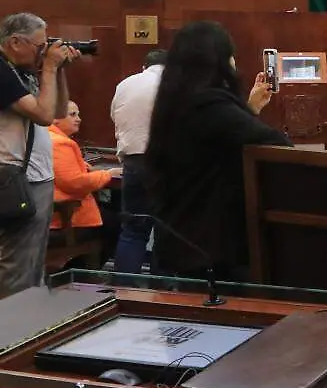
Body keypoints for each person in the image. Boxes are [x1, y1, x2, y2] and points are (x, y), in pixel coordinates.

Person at [144, 21, 290, 279]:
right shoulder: (209, 103)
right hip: (212, 246)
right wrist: (246, 113)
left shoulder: (174, 100)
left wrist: (248, 110)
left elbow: (222, 140)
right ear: (219, 62)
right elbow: (276, 143)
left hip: (182, 237)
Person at [0, 13, 77, 299]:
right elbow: (43, 115)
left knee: (32, 260)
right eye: (39, 46)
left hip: (37, 177)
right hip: (13, 179)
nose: (43, 52)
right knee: (16, 263)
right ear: (15, 42)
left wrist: (59, 70)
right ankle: (11, 333)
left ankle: (27, 323)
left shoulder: (20, 70)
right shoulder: (2, 72)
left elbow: (57, 112)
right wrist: (49, 67)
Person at [110, 49, 167, 273]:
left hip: (133, 163)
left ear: (144, 66)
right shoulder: (172, 84)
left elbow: (115, 116)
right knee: (165, 229)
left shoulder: (125, 84)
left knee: (133, 229)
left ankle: (124, 290)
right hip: (164, 163)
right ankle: (161, 290)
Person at [49, 101, 121, 264]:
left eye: (78, 114)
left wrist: (88, 169)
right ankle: (84, 273)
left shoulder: (48, 137)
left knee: (111, 214)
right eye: (72, 115)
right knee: (117, 223)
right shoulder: (60, 143)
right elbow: (74, 182)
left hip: (50, 213)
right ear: (54, 119)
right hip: (64, 218)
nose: (79, 119)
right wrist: (107, 174)